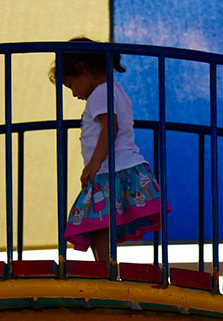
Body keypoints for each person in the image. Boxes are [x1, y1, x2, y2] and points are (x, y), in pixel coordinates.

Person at [49, 37, 163, 262]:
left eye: (70, 85)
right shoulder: (114, 90)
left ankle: (106, 269)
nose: (73, 93)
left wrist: (94, 162)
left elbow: (110, 126)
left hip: (111, 168)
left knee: (98, 222)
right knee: (99, 222)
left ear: (82, 69)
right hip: (118, 167)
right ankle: (106, 267)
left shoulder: (100, 93)